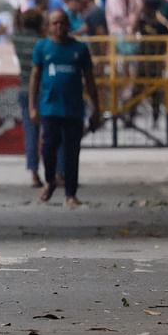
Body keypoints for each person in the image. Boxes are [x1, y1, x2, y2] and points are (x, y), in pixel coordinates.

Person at [30, 10, 100, 208]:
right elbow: (35, 77)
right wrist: (32, 106)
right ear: (48, 26)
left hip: (73, 110)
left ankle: (71, 193)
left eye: (62, 23)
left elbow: (90, 80)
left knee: (72, 152)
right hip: (50, 108)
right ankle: (50, 180)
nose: (58, 27)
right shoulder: (42, 47)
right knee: (48, 149)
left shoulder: (79, 48)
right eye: (54, 23)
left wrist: (96, 109)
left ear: (68, 25)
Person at [13, 9, 46, 187]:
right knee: (50, 134)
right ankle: (57, 172)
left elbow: (15, 27)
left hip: (25, 90)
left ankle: (34, 172)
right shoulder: (42, 43)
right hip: (43, 91)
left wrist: (17, 16)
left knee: (31, 134)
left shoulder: (17, 40)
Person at [135, 0, 168, 127]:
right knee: (137, 90)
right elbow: (133, 29)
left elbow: (167, 41)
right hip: (143, 62)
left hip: (155, 63)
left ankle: (155, 119)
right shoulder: (142, 22)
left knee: (155, 93)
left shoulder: (161, 26)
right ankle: (129, 117)